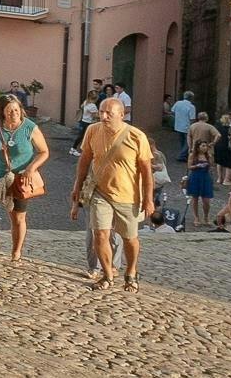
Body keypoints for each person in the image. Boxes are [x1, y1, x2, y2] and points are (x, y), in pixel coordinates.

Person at [70, 95, 156, 291]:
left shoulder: (136, 136)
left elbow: (146, 171)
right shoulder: (92, 131)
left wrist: (149, 199)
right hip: (100, 193)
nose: (104, 116)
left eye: (109, 113)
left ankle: (131, 272)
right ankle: (107, 275)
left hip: (128, 196)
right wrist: (77, 188)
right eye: (101, 112)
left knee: (129, 238)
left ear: (122, 115)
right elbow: (84, 161)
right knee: (100, 234)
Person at [0, 95, 48, 262]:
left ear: (21, 110)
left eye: (16, 109)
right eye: (9, 111)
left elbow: (44, 152)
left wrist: (31, 168)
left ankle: (16, 252)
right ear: (2, 112)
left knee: (17, 217)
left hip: (19, 176)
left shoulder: (30, 127)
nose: (14, 113)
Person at [183, 140, 216, 227]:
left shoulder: (208, 155)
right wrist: (197, 166)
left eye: (206, 146)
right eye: (203, 146)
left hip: (205, 178)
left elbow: (212, 165)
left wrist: (210, 157)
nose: (205, 148)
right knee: (195, 199)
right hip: (195, 177)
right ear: (198, 147)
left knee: (206, 200)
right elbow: (189, 167)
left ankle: (206, 217)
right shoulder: (192, 156)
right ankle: (196, 217)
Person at [69, 92, 99, 157]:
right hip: (89, 123)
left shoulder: (86, 102)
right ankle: (76, 149)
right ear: (96, 98)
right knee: (86, 137)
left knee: (81, 136)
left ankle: (74, 148)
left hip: (83, 121)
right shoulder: (92, 106)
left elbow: (81, 106)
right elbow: (95, 116)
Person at [170, 91, 196, 161]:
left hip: (178, 125)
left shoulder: (178, 103)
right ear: (191, 98)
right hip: (187, 126)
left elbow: (172, 112)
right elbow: (192, 119)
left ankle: (184, 155)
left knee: (182, 141)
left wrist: (178, 117)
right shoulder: (191, 107)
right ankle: (182, 155)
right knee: (188, 142)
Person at [213, 113, 231, 187]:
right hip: (227, 147)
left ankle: (219, 178)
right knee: (229, 163)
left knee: (219, 162)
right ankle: (226, 180)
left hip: (218, 146)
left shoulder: (217, 127)